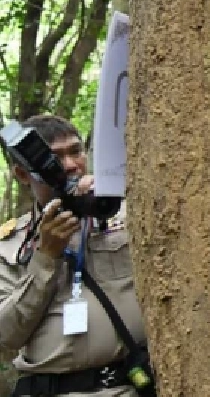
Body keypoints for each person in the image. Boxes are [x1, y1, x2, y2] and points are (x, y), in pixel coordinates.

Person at [0, 115, 149, 396]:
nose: (70, 165)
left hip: (130, 385)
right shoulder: (11, 245)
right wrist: (45, 258)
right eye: (56, 157)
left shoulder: (129, 215)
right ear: (22, 174)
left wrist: (110, 195)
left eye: (75, 151)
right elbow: (6, 337)